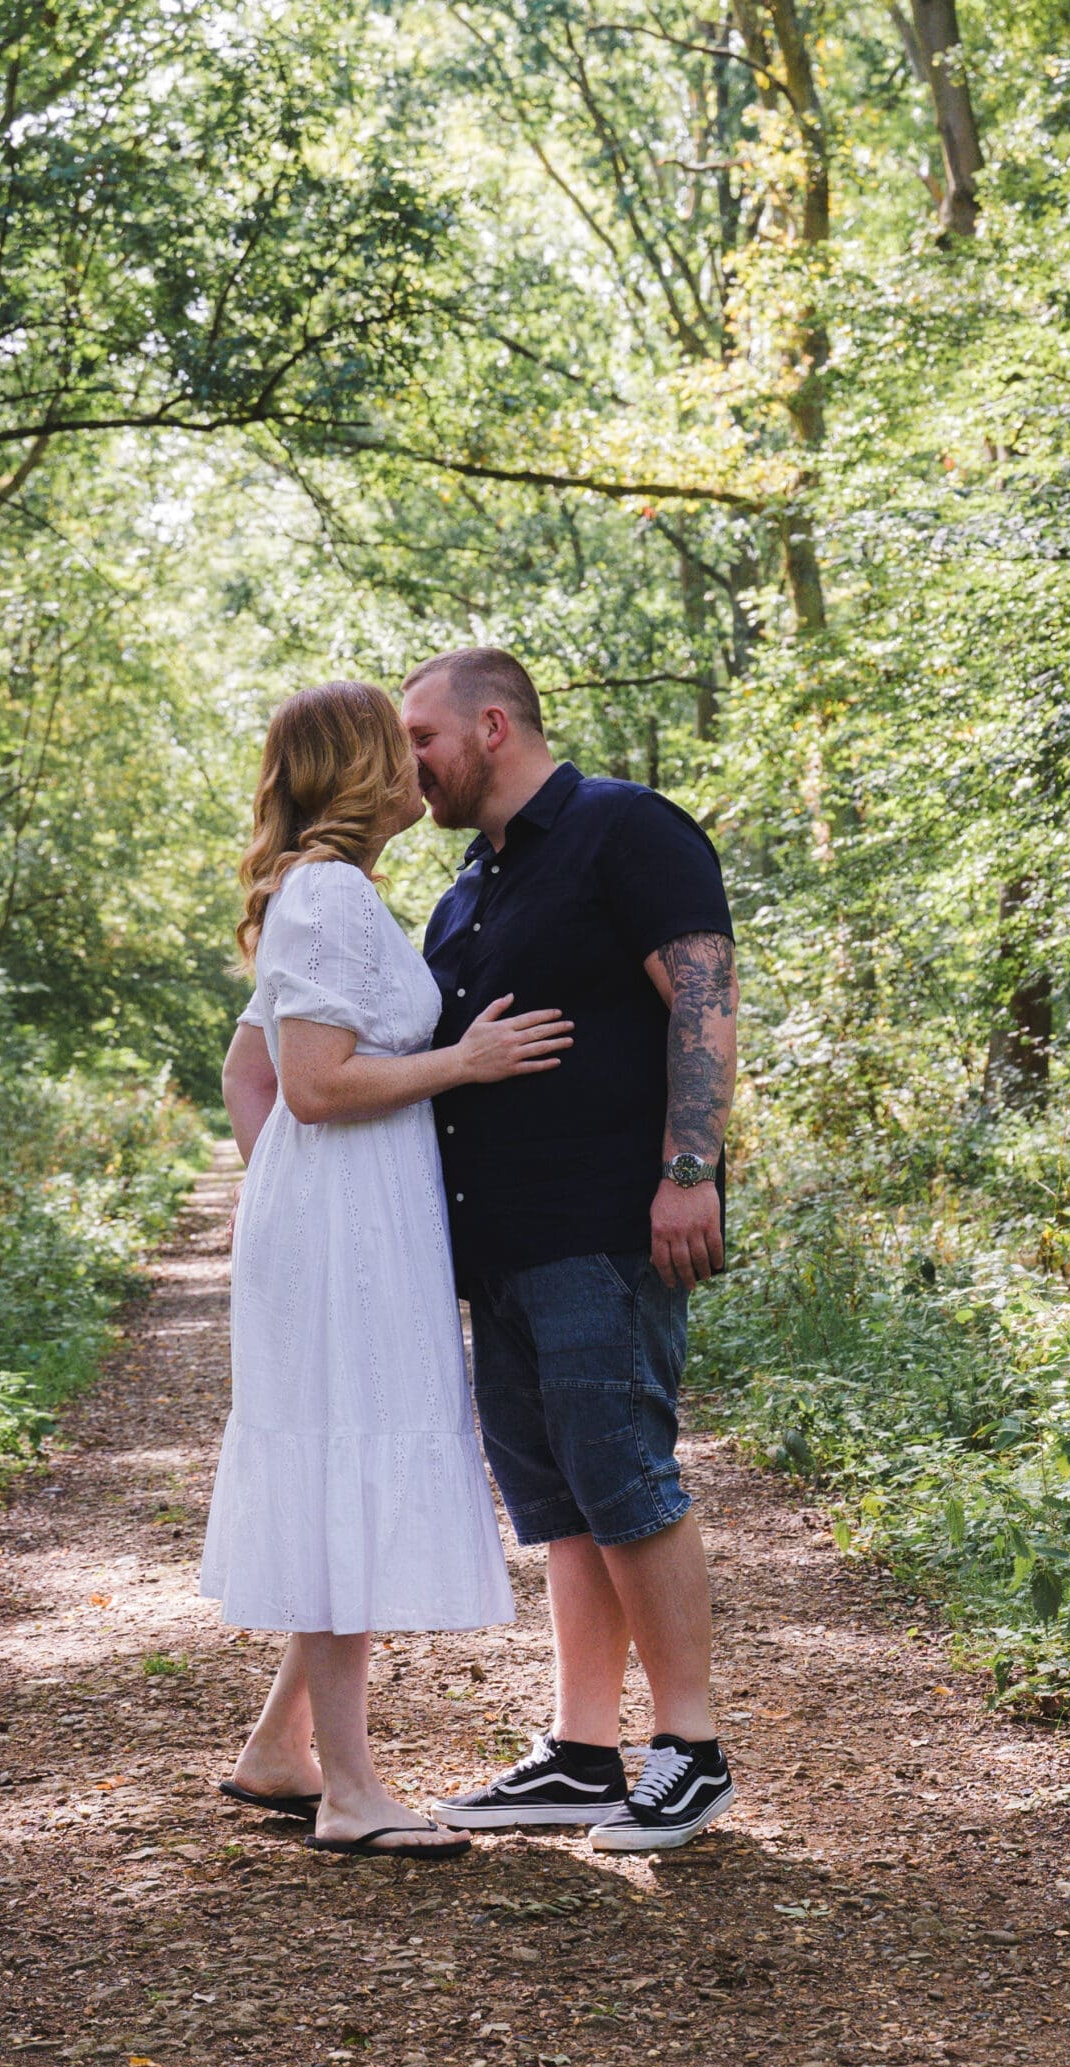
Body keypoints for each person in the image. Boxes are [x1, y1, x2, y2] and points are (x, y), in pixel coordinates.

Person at [200, 679, 574, 1859]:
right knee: (345, 1464)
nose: (421, 763)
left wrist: (293, 1194)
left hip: (346, 1217)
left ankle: (278, 1751)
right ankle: (353, 1792)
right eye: (397, 743)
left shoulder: (329, 896)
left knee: (344, 1460)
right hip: (340, 1229)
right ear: (359, 766)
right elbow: (307, 1085)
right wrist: (464, 1064)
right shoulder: (323, 898)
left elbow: (244, 1073)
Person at [403, 648, 741, 1854]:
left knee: (625, 1480)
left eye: (421, 737)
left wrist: (685, 1170)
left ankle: (688, 1751)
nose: (409, 764)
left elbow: (701, 994)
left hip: (604, 1227)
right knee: (557, 1501)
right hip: (495, 1243)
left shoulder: (622, 830)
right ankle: (582, 1751)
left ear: (492, 726)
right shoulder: (469, 884)